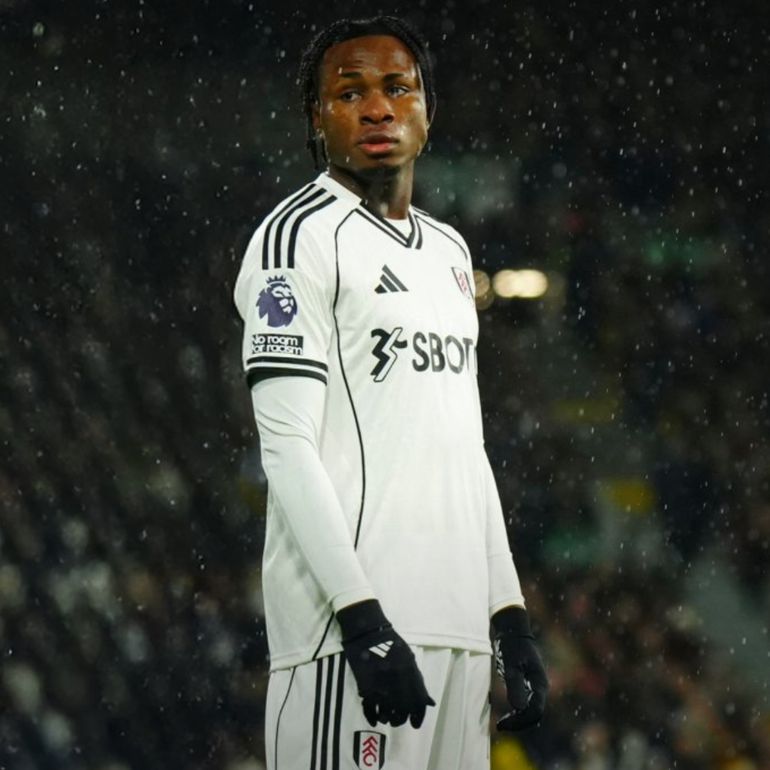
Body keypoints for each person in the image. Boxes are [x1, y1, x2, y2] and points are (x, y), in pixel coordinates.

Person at [233, 16, 548, 770]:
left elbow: (466, 451)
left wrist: (509, 619)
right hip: (352, 638)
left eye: (396, 89)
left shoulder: (448, 252)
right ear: (317, 118)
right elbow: (286, 447)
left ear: (426, 113)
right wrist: (361, 614)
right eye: (350, 92)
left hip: (460, 637)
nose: (377, 108)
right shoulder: (297, 239)